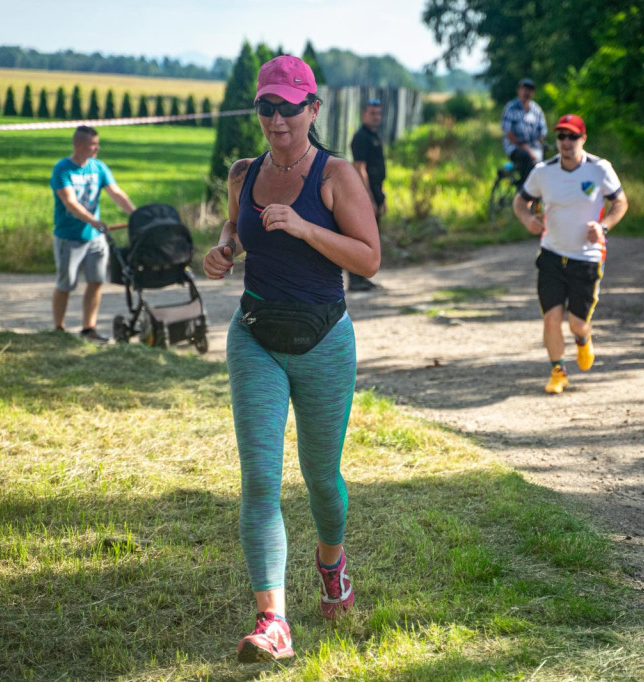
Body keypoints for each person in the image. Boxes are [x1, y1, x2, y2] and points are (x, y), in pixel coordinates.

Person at [202, 55, 380, 663]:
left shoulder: (336, 176)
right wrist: (224, 251)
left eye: (289, 107)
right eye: (266, 107)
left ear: (312, 109)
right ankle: (272, 620)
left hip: (324, 341)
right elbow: (234, 228)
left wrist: (306, 228)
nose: (277, 120)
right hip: (254, 336)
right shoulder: (244, 173)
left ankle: (331, 563)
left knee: (321, 478)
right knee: (259, 479)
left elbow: (369, 259)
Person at [513, 114, 628, 394]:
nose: (566, 142)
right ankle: (558, 371)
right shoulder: (543, 171)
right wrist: (528, 219)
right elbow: (521, 201)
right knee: (551, 318)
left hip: (586, 257)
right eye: (561, 136)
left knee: (577, 323)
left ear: (583, 138)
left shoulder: (600, 169)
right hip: (551, 254)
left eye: (572, 136)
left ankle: (583, 339)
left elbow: (620, 202)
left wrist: (603, 227)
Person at [50, 125, 135, 342]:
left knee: (96, 281)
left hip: (95, 239)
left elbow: (116, 193)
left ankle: (89, 329)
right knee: (66, 284)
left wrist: (136, 214)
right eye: (92, 144)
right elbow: (69, 203)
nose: (97, 149)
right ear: (78, 144)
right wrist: (93, 221)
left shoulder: (98, 167)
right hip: (69, 237)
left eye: (97, 144)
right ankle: (58, 329)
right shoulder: (62, 169)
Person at [348, 97, 386, 292]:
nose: (376, 117)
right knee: (361, 239)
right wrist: (368, 198)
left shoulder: (374, 135)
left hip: (376, 190)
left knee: (372, 238)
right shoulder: (361, 137)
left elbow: (379, 169)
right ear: (363, 114)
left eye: (378, 113)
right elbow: (359, 168)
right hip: (366, 194)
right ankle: (355, 280)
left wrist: (382, 196)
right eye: (372, 113)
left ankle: (363, 277)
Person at [501, 78, 548, 184]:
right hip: (515, 148)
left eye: (529, 90)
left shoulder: (537, 110)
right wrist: (526, 148)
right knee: (526, 157)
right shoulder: (511, 108)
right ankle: (525, 189)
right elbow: (509, 133)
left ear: (533, 93)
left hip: (535, 149)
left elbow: (542, 132)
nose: (526, 92)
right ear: (519, 91)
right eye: (524, 89)